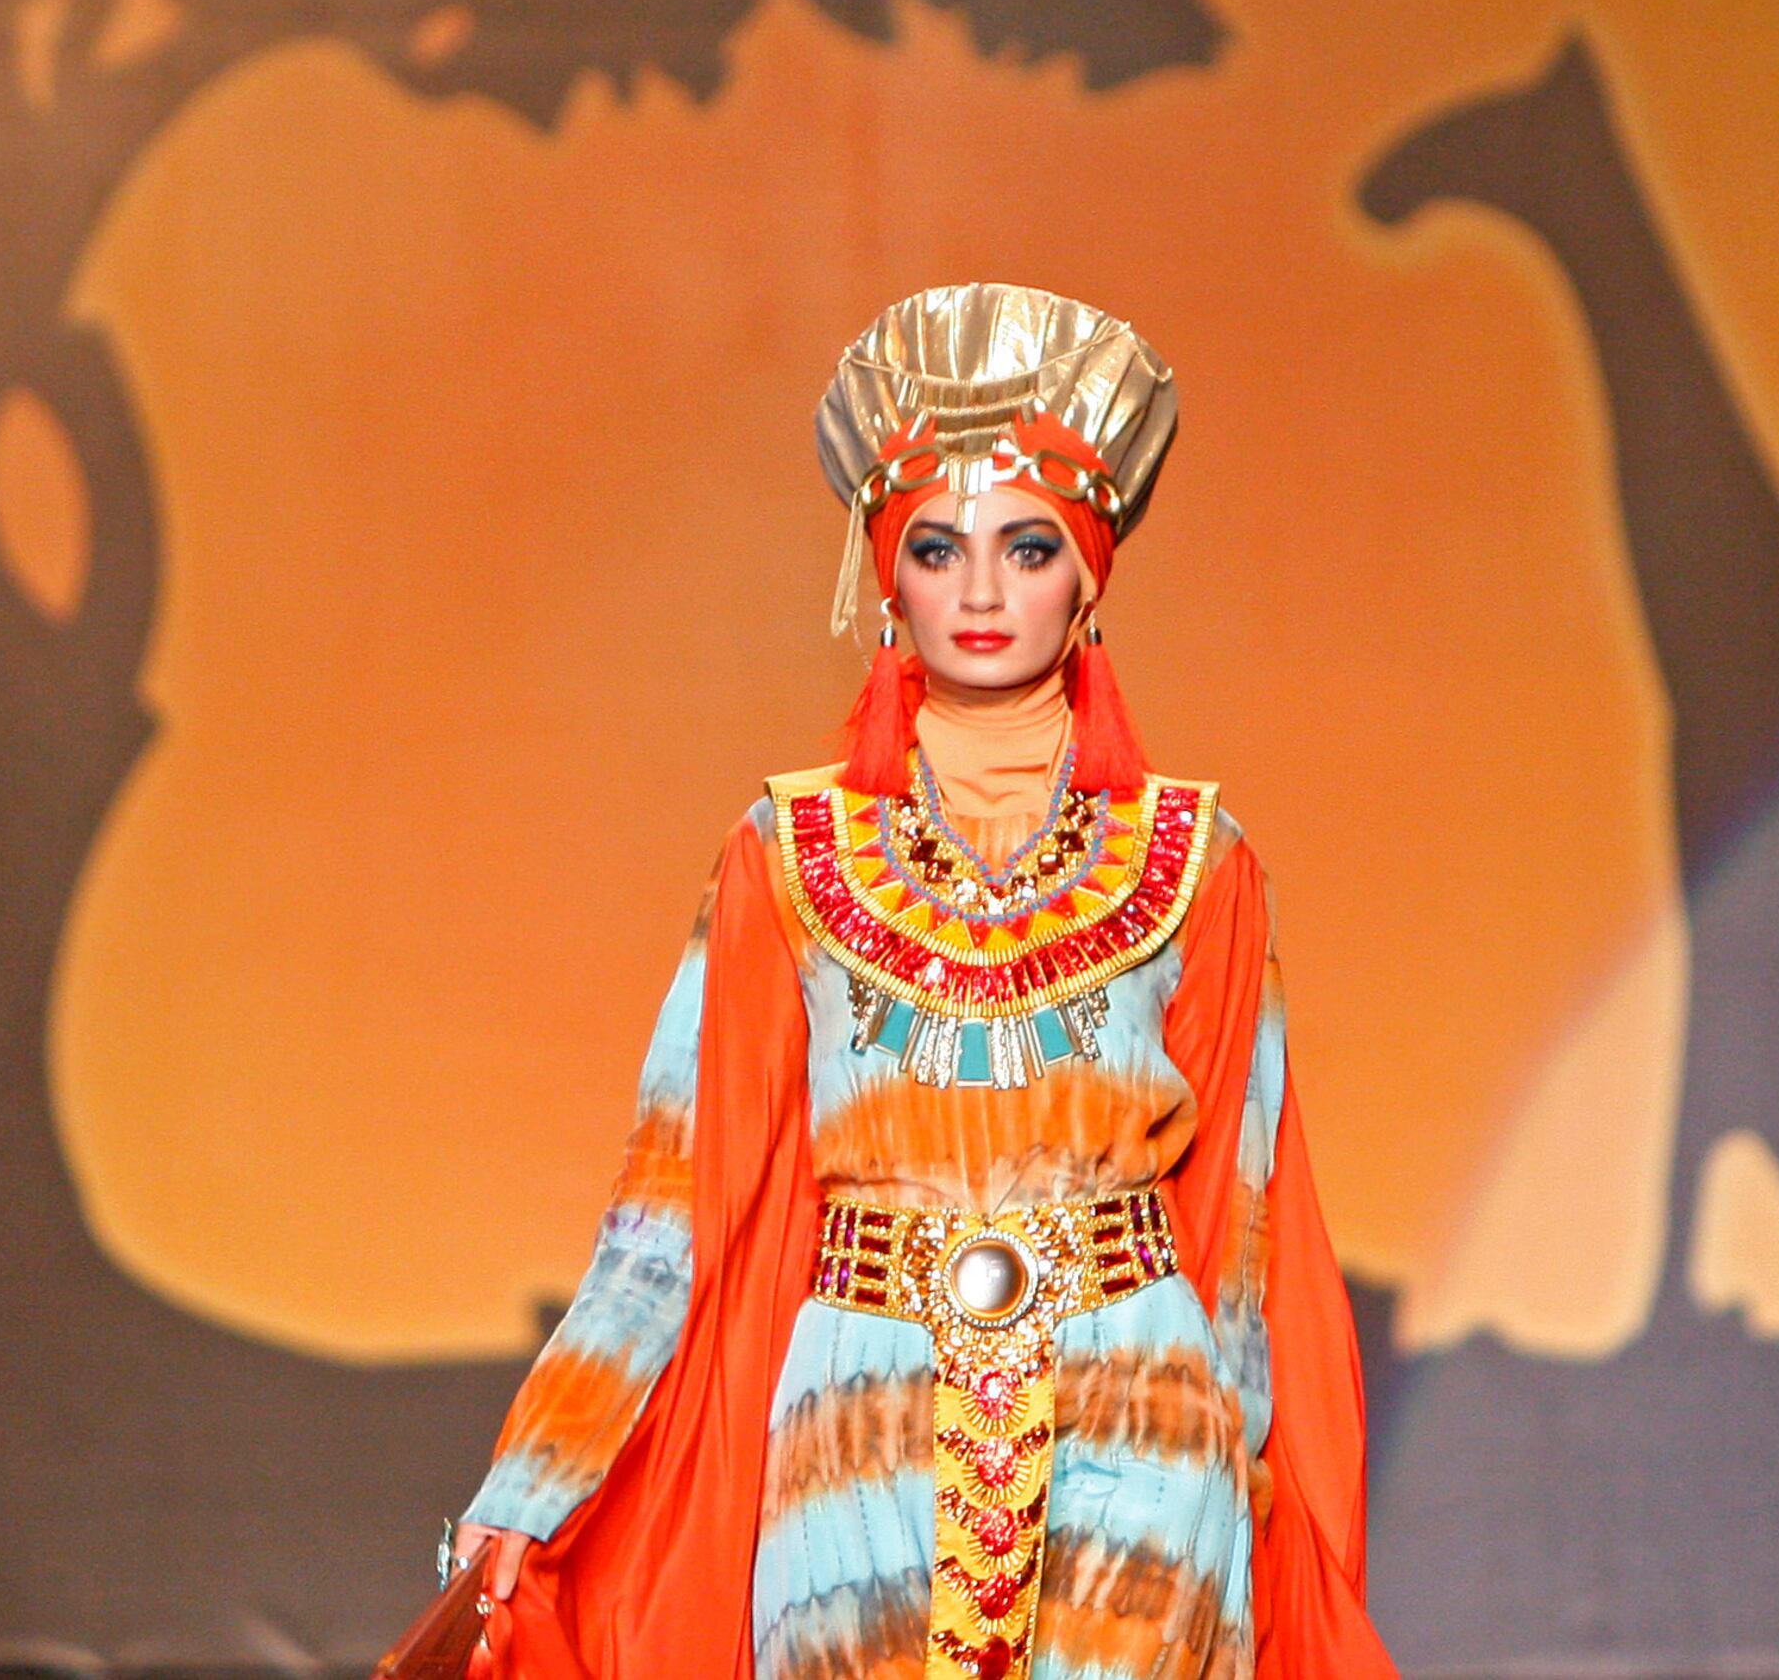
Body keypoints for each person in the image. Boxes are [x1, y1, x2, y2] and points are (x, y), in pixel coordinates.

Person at [448, 283, 1401, 1680]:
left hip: (1142, 1423)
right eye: (938, 547)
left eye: (1029, 545)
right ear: (886, 577)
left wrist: (1253, 1493)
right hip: (862, 1425)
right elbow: (670, 1213)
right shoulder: (785, 852)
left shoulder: (1200, 859)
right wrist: (533, 1485)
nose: (982, 591)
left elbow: (1239, 1235)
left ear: (1089, 575)